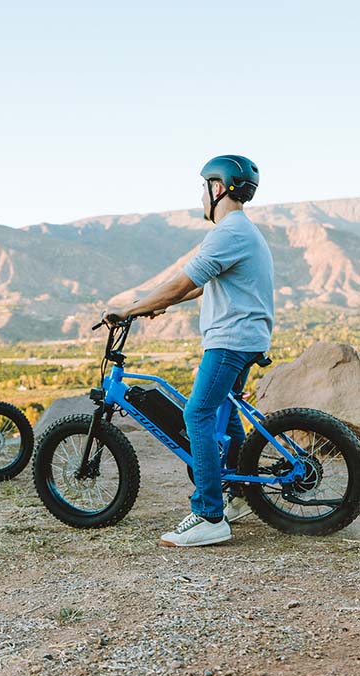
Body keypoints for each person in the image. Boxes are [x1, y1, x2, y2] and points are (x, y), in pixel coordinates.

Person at [105, 155, 274, 547]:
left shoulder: (227, 232)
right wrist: (157, 304)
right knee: (226, 413)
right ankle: (235, 494)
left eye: (203, 187)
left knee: (196, 413)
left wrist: (131, 307)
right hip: (246, 338)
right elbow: (200, 285)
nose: (201, 196)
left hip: (230, 340)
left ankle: (208, 514)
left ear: (218, 188)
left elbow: (183, 282)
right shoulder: (241, 231)